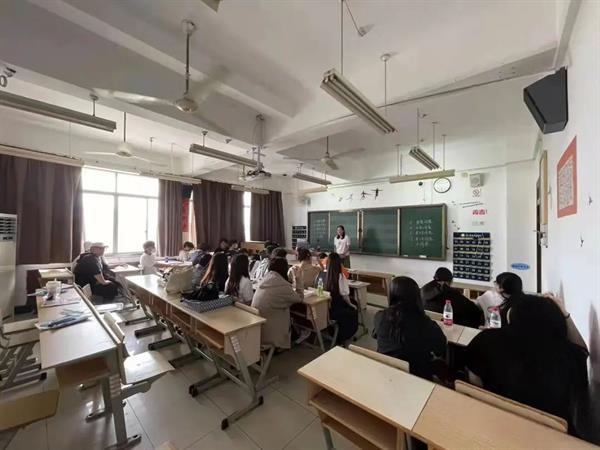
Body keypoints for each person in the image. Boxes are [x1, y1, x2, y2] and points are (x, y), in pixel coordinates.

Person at [466, 294, 589, 434]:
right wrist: (565, 314)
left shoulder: (486, 340)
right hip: (554, 433)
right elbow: (582, 350)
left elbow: (475, 383)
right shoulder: (564, 354)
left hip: (495, 426)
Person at [373, 276, 447, 380]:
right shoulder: (424, 322)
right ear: (416, 296)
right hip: (417, 378)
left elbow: (376, 335)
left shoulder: (380, 316)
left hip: (386, 373)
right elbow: (440, 348)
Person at [252, 257, 304, 349]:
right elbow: (300, 298)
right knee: (297, 329)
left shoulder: (264, 280)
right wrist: (298, 278)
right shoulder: (282, 285)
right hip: (271, 332)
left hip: (259, 329)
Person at [325, 252, 358, 344]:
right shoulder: (340, 276)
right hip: (337, 309)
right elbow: (345, 295)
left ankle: (334, 333)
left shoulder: (324, 274)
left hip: (327, 308)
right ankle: (345, 335)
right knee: (353, 307)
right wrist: (351, 305)